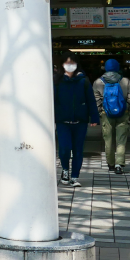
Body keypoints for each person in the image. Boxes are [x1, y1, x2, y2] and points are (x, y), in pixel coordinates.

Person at [54, 55, 99, 187]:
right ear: (62, 64)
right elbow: (52, 101)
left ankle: (74, 177)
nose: (70, 65)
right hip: (63, 122)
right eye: (67, 62)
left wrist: (94, 117)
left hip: (80, 122)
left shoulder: (83, 81)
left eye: (72, 62)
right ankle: (65, 170)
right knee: (64, 148)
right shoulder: (57, 81)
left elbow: (91, 100)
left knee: (78, 150)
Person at [93, 58, 130, 175]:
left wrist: (100, 112)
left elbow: (96, 100)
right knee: (121, 140)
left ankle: (111, 164)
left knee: (108, 140)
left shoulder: (98, 82)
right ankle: (119, 164)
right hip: (123, 113)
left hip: (106, 114)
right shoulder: (125, 81)